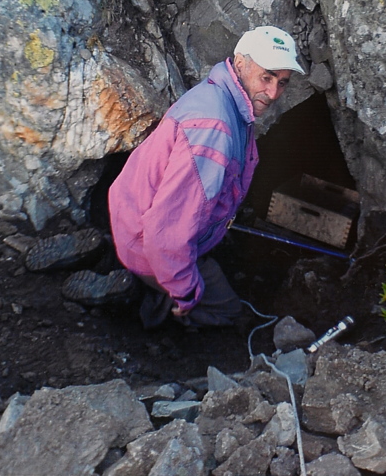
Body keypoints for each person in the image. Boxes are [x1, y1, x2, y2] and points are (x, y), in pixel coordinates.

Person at [59, 26, 305, 328]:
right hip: (149, 242)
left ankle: (108, 254)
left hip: (131, 216)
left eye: (282, 83)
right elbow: (167, 232)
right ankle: (135, 294)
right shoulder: (214, 129)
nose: (274, 92)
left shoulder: (220, 96)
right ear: (240, 63)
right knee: (226, 311)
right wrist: (185, 292)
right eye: (266, 77)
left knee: (183, 258)